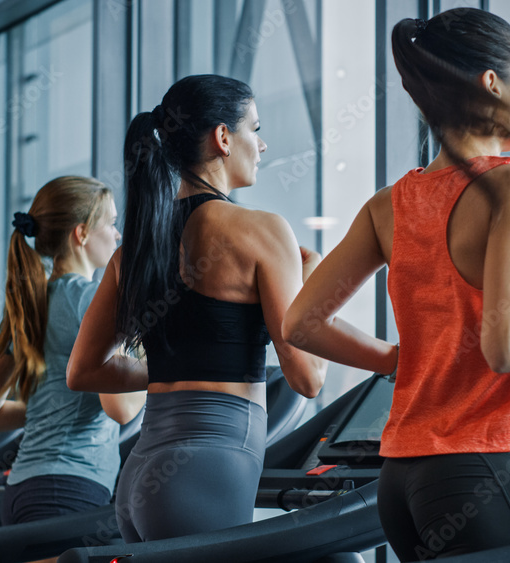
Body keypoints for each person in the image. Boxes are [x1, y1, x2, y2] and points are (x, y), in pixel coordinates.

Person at [282, 8, 510, 560]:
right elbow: (507, 349)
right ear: (490, 83)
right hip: (485, 462)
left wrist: (400, 361)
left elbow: (302, 324)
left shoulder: (389, 205)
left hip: (402, 479)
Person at [67, 74, 327, 543]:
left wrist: (179, 372)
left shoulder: (135, 249)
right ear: (223, 137)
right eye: (256, 128)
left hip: (140, 474)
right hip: (207, 472)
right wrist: (315, 288)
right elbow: (308, 378)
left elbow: (83, 372)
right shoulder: (263, 230)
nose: (263, 145)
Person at [0, 176, 146, 563]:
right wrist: (153, 348)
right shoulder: (88, 302)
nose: (117, 235)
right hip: (66, 491)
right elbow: (123, 408)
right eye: (111, 223)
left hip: (22, 492)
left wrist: (56, 409)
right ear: (81, 234)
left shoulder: (34, 300)